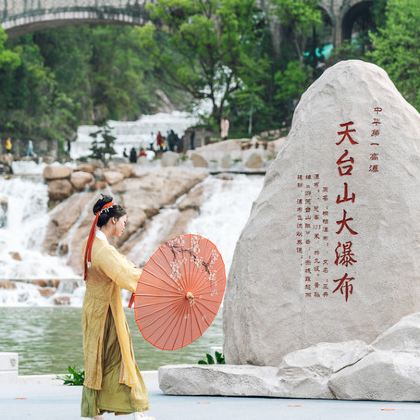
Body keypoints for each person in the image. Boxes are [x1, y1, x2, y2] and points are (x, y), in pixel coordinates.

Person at [81, 195, 154, 420]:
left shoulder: (94, 242)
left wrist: (139, 272)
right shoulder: (103, 250)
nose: (125, 226)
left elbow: (122, 266)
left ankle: (96, 413)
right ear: (113, 220)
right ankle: (138, 411)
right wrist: (154, 278)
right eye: (124, 221)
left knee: (100, 359)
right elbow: (124, 274)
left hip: (96, 310)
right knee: (122, 357)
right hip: (106, 313)